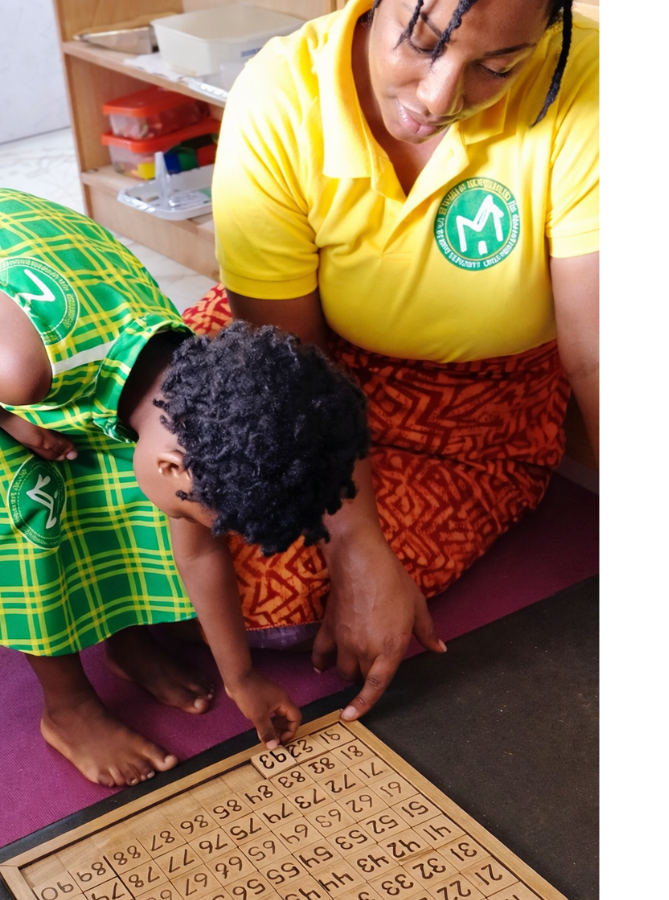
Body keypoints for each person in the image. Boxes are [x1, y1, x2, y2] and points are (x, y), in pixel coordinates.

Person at [0, 187, 371, 787]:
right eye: (206, 518)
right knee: (23, 517)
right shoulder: (16, 370)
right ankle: (67, 706)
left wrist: (242, 679)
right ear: (174, 469)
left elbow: (197, 545)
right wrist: (3, 415)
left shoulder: (194, 393)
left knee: (117, 497)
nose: (204, 534)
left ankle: (122, 639)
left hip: (51, 306)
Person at [197, 0, 599, 719]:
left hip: (473, 405)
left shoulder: (592, 83)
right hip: (300, 360)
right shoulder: (281, 96)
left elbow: (601, 361)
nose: (437, 98)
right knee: (161, 487)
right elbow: (290, 363)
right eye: (418, 43)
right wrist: (356, 544)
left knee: (270, 592)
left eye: (496, 66)